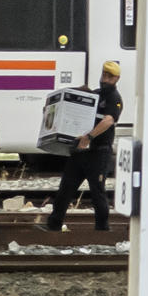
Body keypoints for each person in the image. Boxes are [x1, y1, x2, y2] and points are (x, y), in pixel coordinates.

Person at [46, 60, 124, 232]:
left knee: (97, 193)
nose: (105, 79)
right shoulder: (96, 95)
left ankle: (102, 230)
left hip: (98, 153)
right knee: (65, 189)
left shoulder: (114, 99)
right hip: (81, 152)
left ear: (117, 79)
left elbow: (108, 120)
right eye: (104, 74)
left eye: (109, 76)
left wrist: (89, 136)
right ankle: (54, 225)